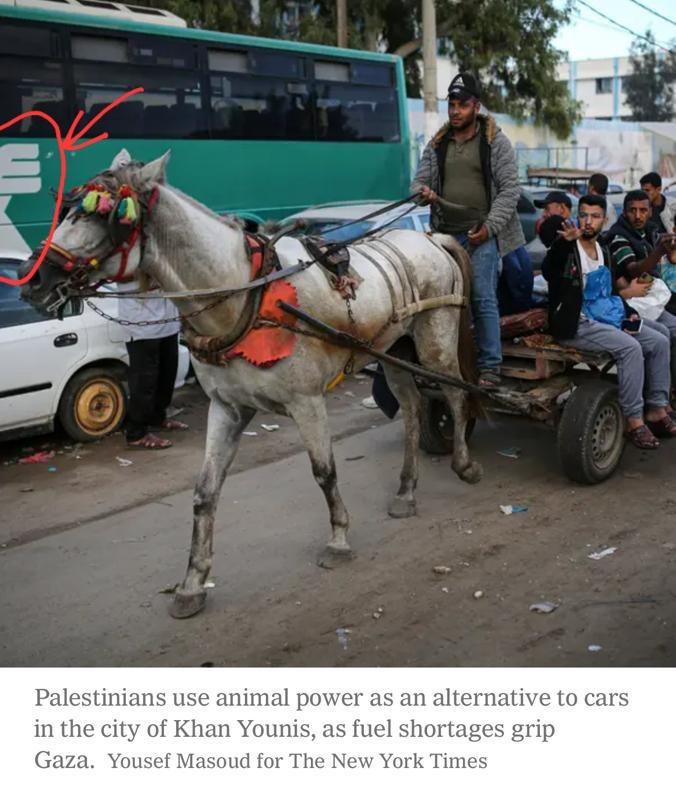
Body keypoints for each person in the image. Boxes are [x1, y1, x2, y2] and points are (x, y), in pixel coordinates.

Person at [412, 71, 524, 386]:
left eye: (461, 105)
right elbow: (419, 182)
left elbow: (510, 190)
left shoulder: (495, 141)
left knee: (482, 297)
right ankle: (445, 362)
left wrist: (489, 228)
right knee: (442, 300)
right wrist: (423, 193)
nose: (455, 111)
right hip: (445, 236)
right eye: (452, 105)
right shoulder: (438, 144)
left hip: (480, 234)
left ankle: (490, 366)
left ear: (476, 106)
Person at [541, 194, 676, 448]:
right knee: (630, 348)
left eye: (594, 216)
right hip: (578, 324)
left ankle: (657, 409)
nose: (588, 221)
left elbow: (609, 291)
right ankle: (634, 420)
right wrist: (562, 245)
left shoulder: (603, 249)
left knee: (659, 340)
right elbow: (549, 271)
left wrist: (627, 310)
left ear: (604, 219)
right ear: (577, 216)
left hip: (607, 316)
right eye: (583, 215)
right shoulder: (568, 247)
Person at [607, 190, 676, 384]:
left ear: (651, 212)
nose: (638, 216)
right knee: (666, 335)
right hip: (634, 303)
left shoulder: (650, 231)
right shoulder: (618, 237)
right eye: (632, 210)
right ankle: (660, 393)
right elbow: (634, 270)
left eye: (643, 210)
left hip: (651, 298)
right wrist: (658, 252)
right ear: (624, 212)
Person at [118, 281, 189, 449]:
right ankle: (136, 433)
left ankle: (158, 417)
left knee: (167, 374)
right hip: (142, 324)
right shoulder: (125, 256)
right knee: (145, 381)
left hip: (168, 322)